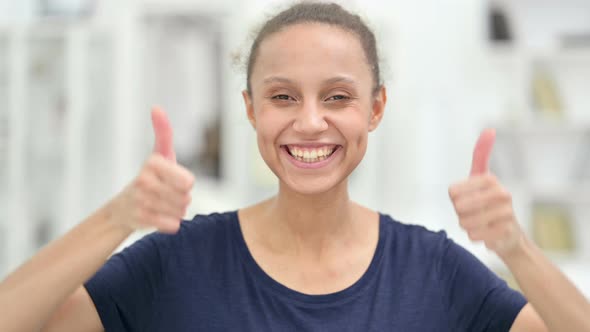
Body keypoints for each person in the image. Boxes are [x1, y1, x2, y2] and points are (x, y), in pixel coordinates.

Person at [1, 2, 589, 331]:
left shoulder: (432, 270)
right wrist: (116, 217)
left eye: (337, 97)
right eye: (283, 97)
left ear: (375, 108)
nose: (310, 123)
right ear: (251, 109)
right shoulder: (176, 261)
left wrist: (515, 246)